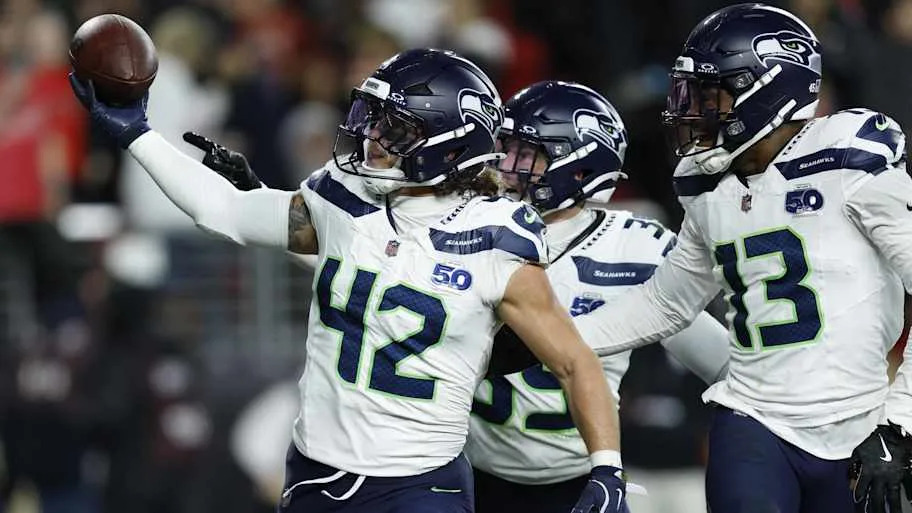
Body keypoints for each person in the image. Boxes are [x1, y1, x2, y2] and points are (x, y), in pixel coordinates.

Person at [69, 48, 626, 513]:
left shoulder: (499, 238)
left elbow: (574, 362)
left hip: (419, 485)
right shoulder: (343, 197)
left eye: (394, 127)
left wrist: (606, 470)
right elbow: (224, 210)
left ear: (449, 143)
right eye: (374, 118)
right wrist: (138, 134)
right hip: (315, 471)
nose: (372, 135)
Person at [568, 4, 912, 513]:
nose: (693, 110)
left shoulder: (848, 162)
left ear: (768, 89)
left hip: (860, 421)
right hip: (753, 419)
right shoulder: (709, 184)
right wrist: (556, 340)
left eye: (710, 94)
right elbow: (667, 302)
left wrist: (902, 421)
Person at [462, 80, 731, 513]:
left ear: (579, 169)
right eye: (503, 148)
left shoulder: (633, 248)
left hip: (581, 476)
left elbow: (721, 363)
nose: (504, 166)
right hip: (471, 472)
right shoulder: (465, 226)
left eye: (525, 154)